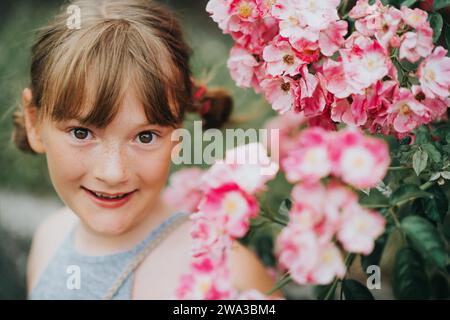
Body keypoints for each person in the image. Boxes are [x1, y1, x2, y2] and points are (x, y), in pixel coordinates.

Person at [11, 0, 282, 300]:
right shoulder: (49, 239)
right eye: (81, 132)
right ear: (35, 123)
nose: (113, 173)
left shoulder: (223, 275)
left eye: (145, 137)